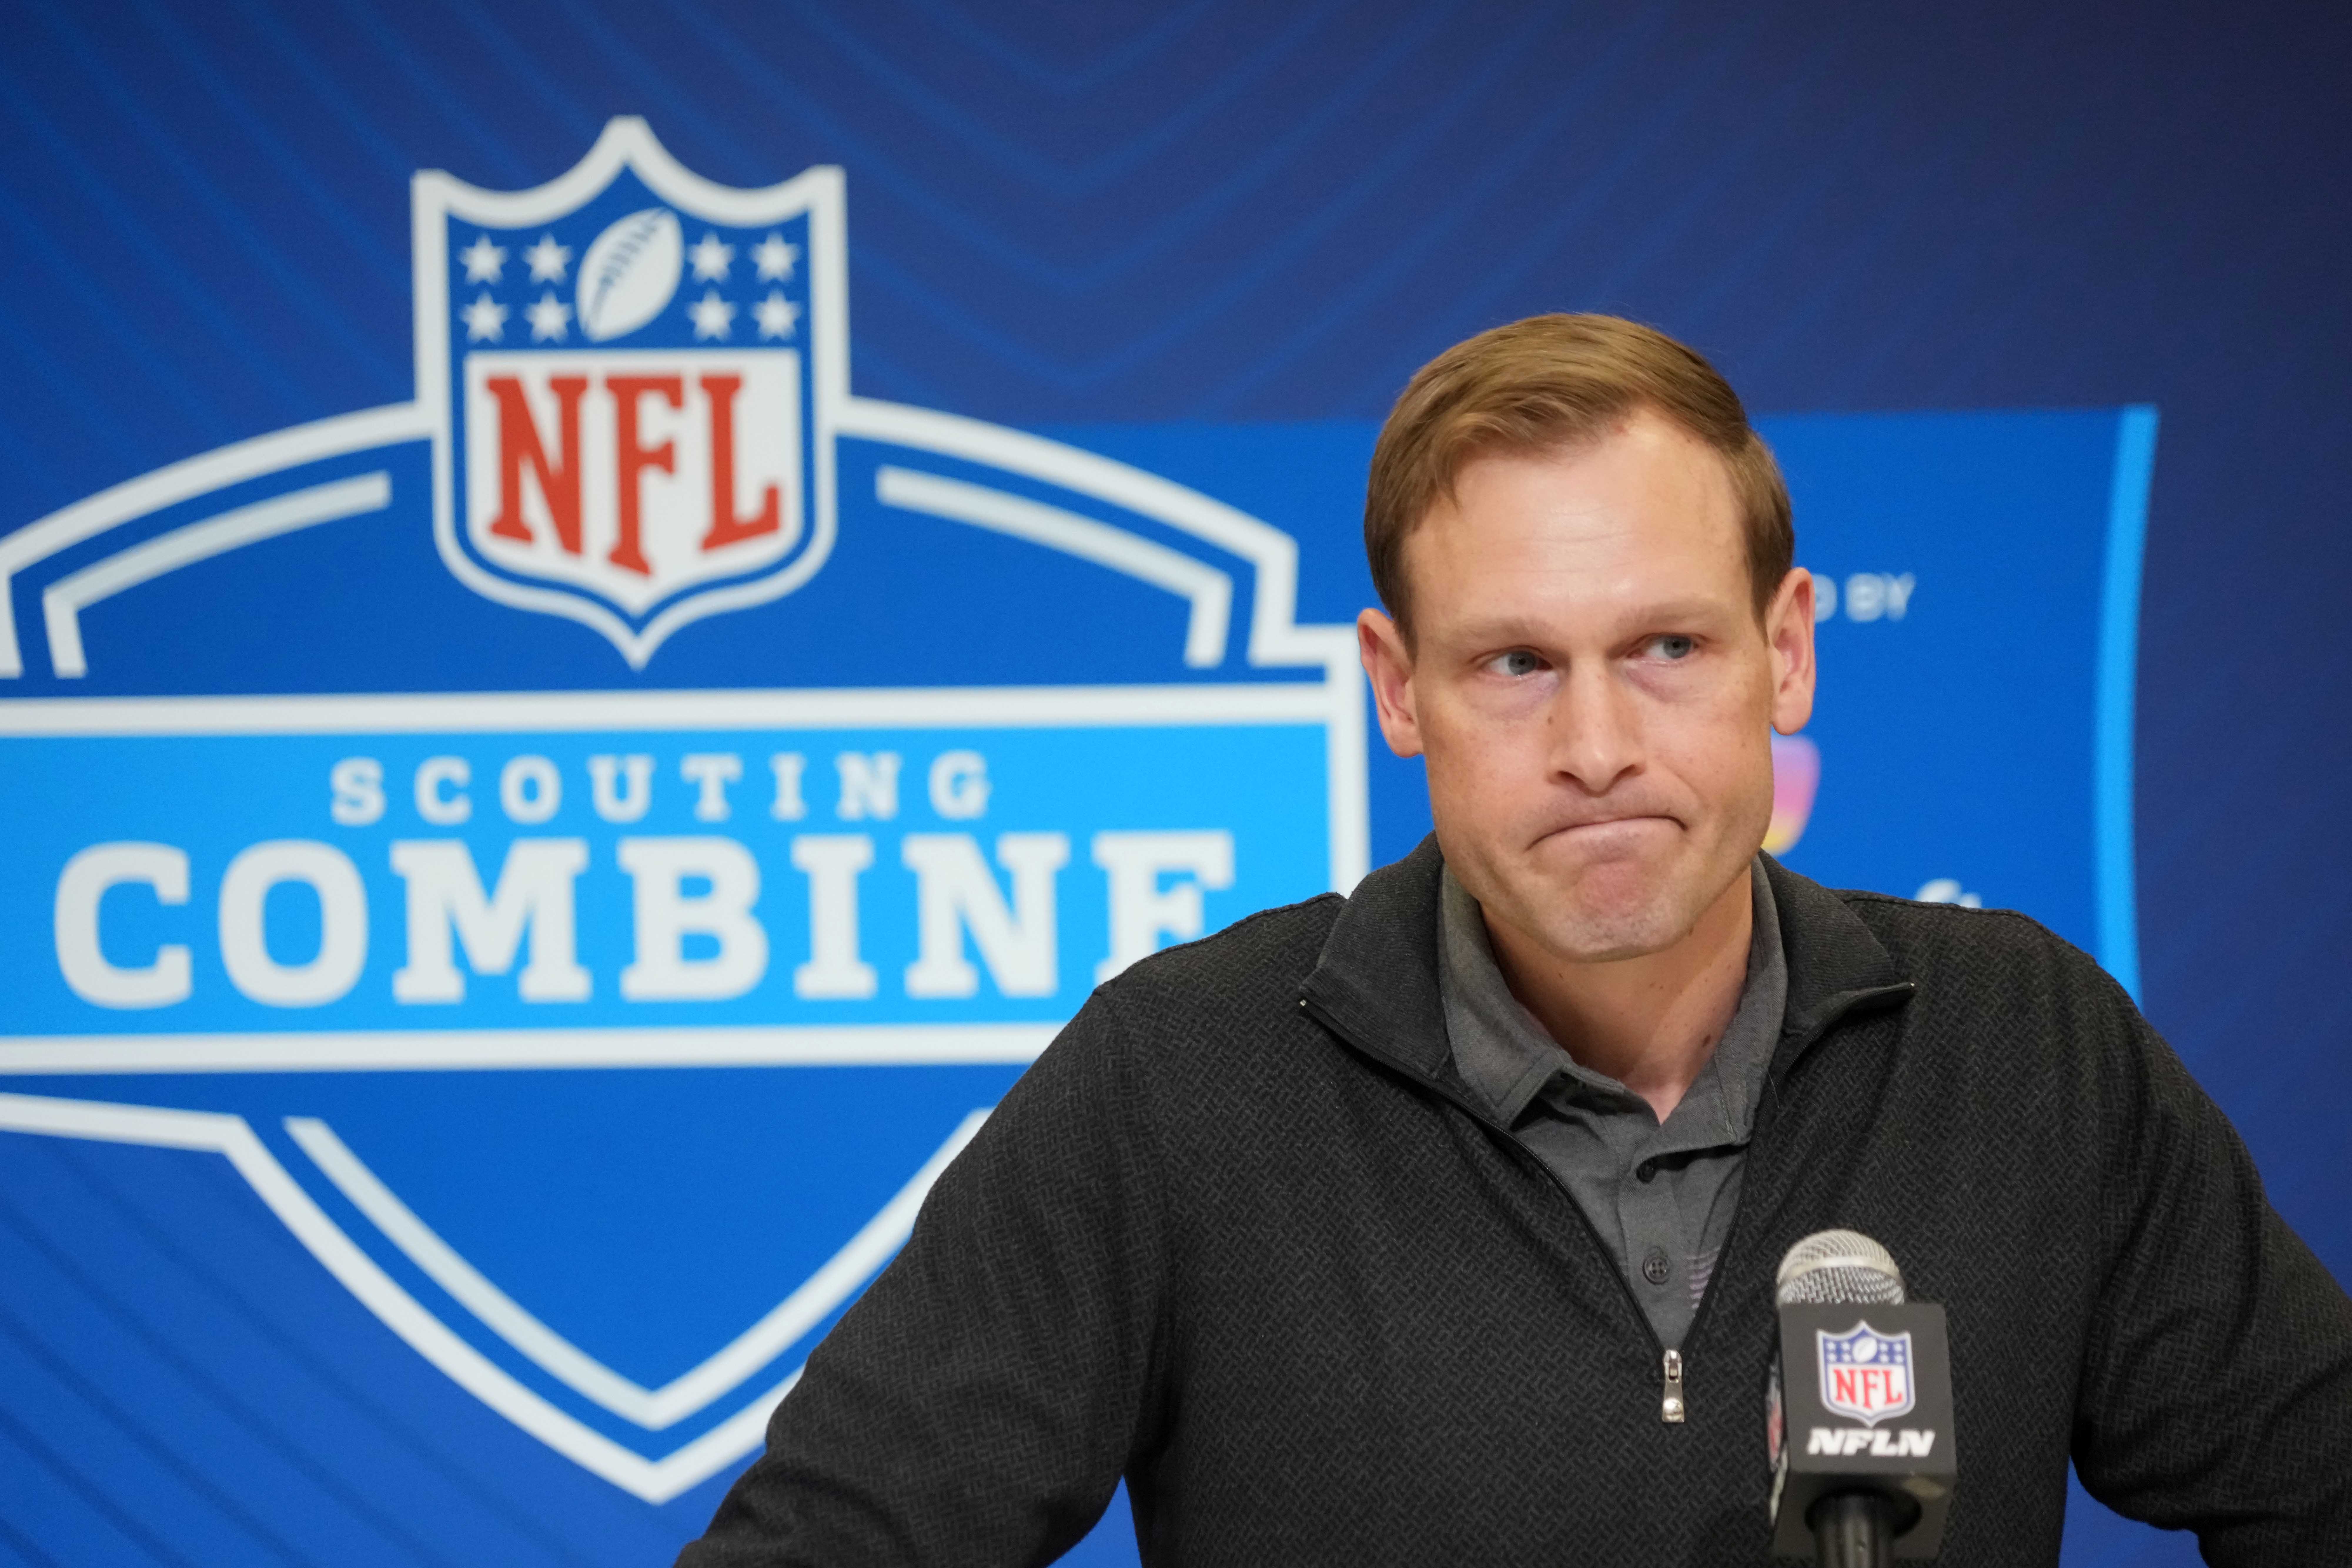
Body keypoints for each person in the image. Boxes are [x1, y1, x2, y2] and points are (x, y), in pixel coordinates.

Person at [678, 315, 2352, 1565]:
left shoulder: (2021, 1043)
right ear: (1397, 688)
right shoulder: (1180, 1081)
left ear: (1787, 652)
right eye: (1514, 665)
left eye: (1668, 647)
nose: (1598, 745)